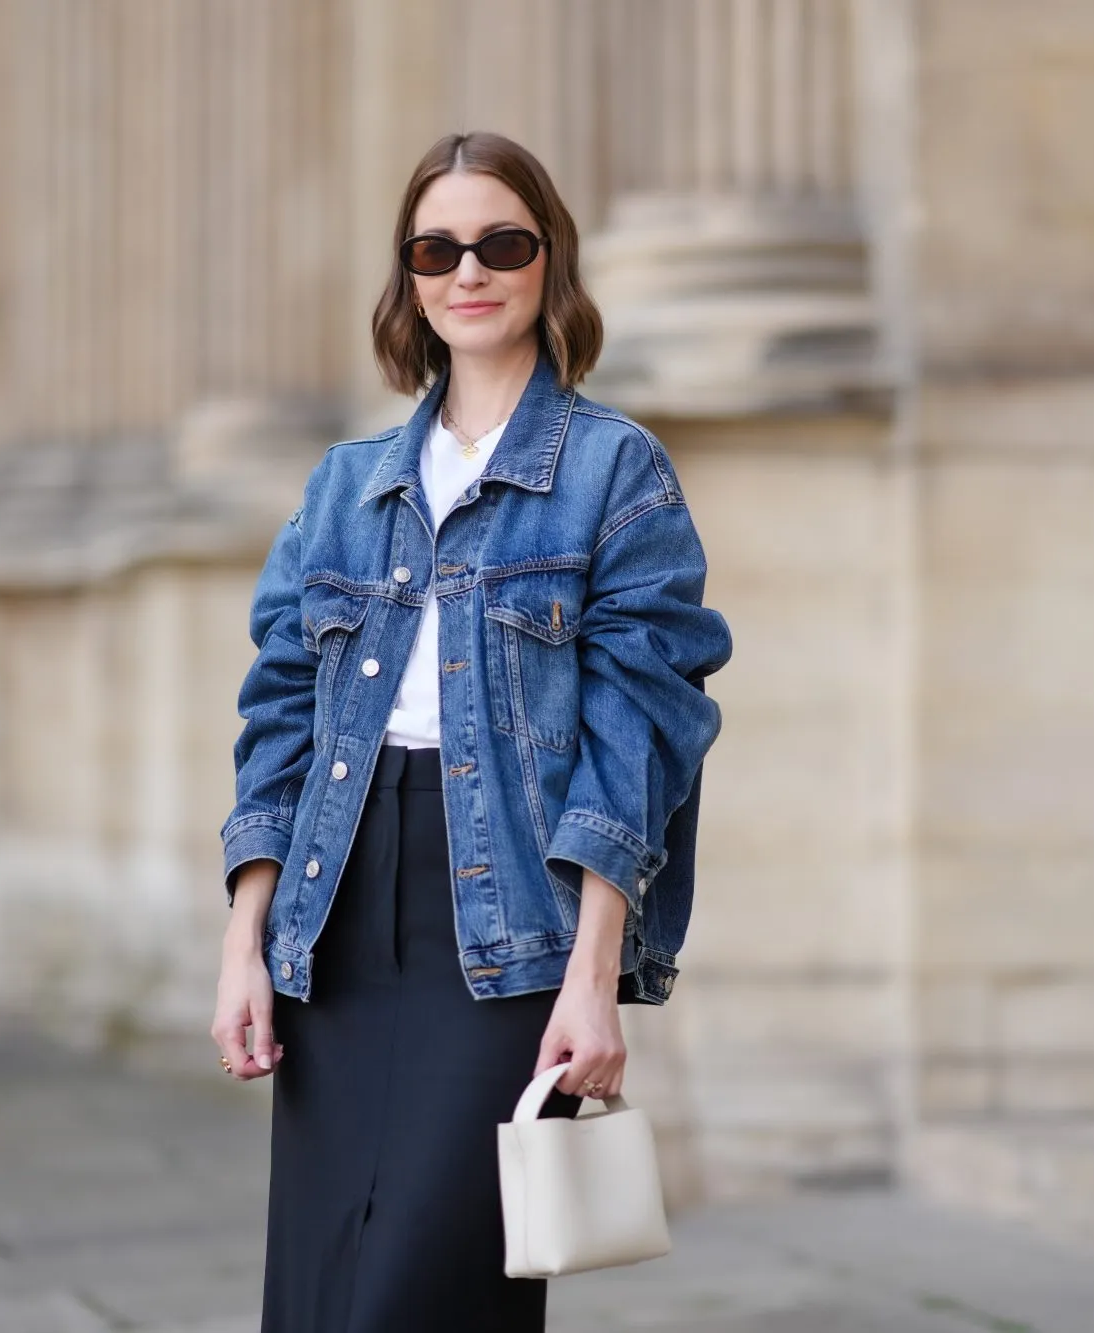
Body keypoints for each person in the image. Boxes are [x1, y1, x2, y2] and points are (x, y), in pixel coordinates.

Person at [212, 130, 733, 1333]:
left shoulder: (616, 474)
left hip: (504, 913)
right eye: (435, 248)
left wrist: (593, 976)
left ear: (549, 261)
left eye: (501, 242)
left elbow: (642, 735)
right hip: (335, 908)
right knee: (319, 1295)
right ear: (407, 278)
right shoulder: (344, 487)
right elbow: (279, 715)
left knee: (428, 1294)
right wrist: (246, 941)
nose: (468, 271)